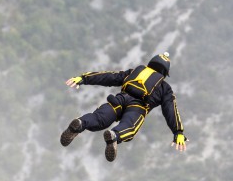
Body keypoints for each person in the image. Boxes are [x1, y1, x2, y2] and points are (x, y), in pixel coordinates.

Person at [60, 52, 188, 162]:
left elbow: (109, 76)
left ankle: (81, 123)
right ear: (164, 73)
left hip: (119, 100)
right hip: (138, 107)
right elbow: (170, 110)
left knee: (99, 118)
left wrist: (83, 78)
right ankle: (115, 136)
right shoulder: (165, 88)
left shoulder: (134, 72)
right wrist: (178, 132)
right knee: (129, 127)